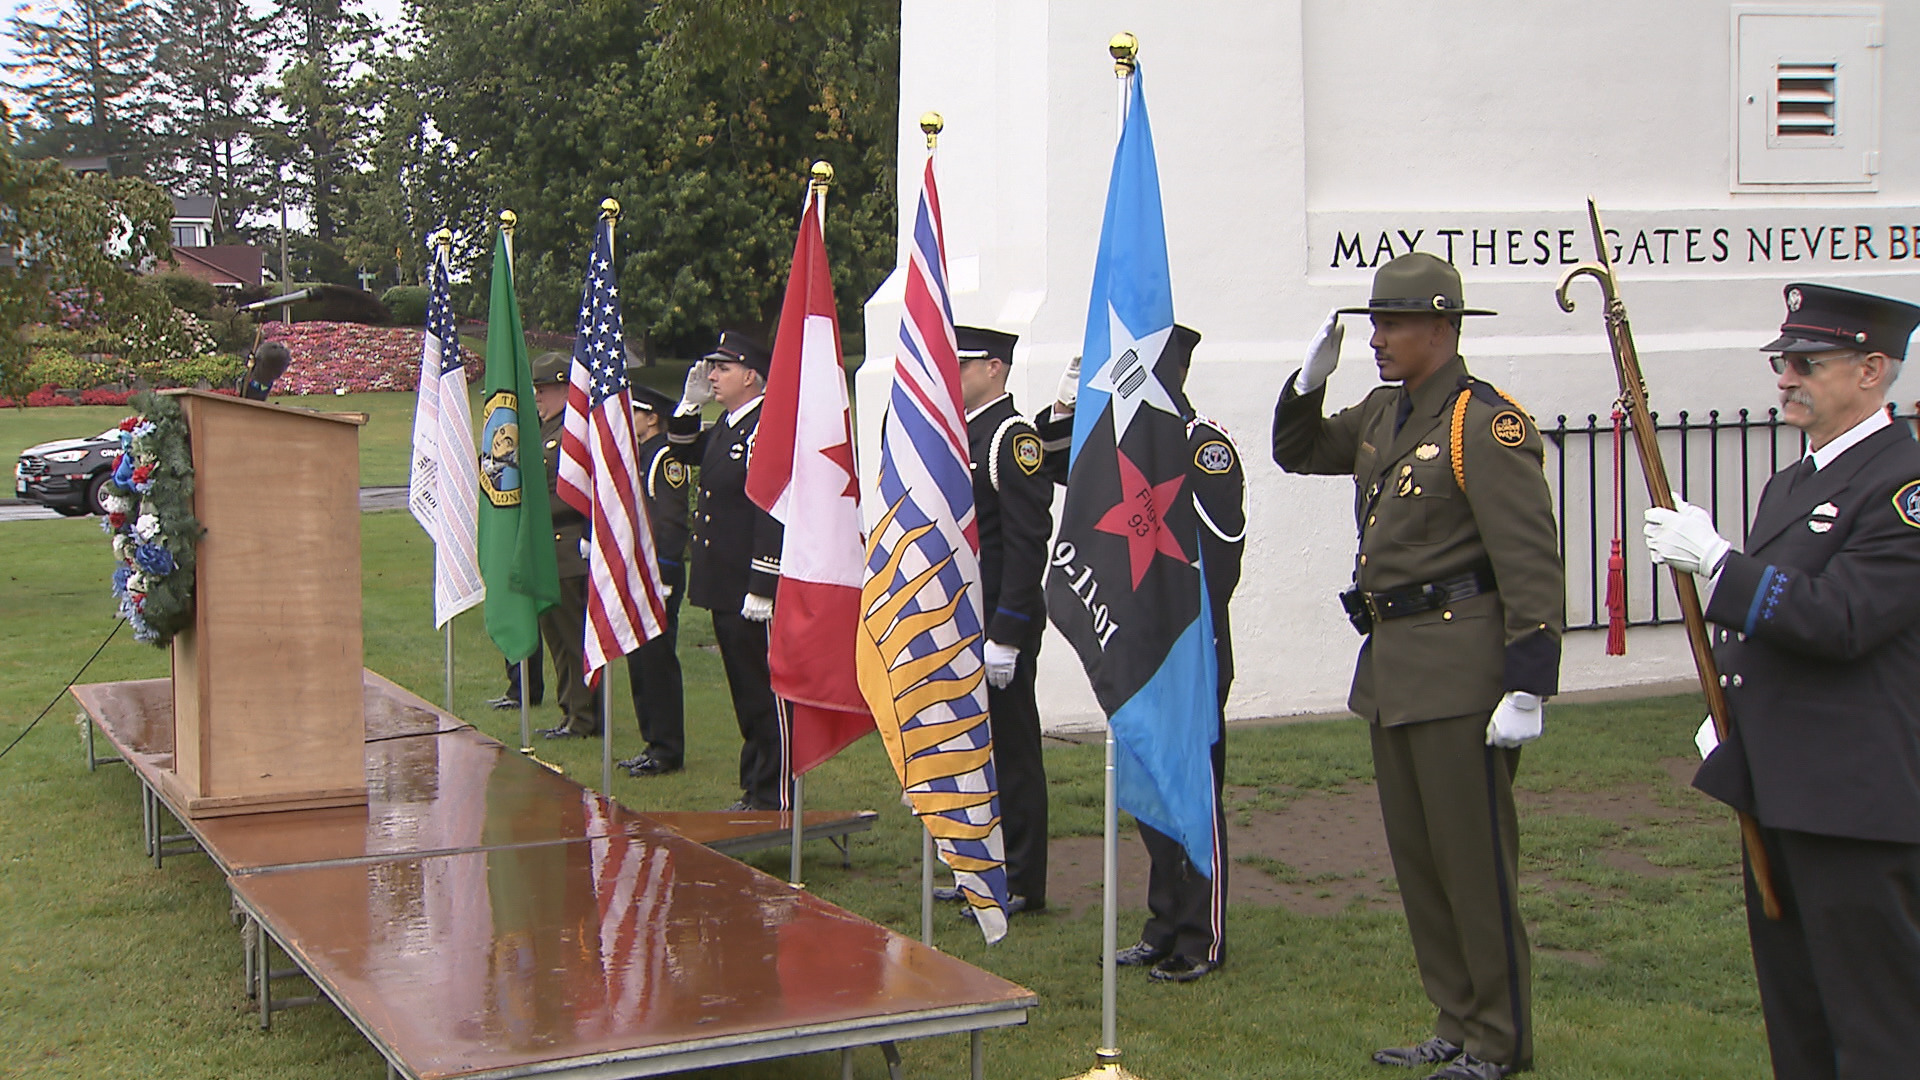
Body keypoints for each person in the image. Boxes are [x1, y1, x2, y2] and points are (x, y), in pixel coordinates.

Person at [1271, 253, 1563, 1080]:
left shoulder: (1483, 423)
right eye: (1373, 323)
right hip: (1395, 664)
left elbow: (1530, 556)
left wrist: (1528, 680)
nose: (1376, 338)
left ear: (1442, 326)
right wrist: (1304, 382)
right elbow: (1299, 451)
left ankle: (1500, 1041)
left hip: (1462, 669)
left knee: (1473, 865)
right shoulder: (1383, 412)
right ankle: (1457, 1019)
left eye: (1392, 323)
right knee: (1423, 863)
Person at [1643, 282, 1920, 1080]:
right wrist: (1736, 708)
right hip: (1784, 784)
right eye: (1782, 362)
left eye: (1807, 361)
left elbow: (1843, 621)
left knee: (1876, 1028)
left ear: (1872, 370)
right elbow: (1771, 635)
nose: (1786, 377)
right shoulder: (1794, 483)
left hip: (1856, 803)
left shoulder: (1902, 487)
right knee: (1797, 1018)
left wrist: (1721, 565)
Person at [1038, 326, 1246, 981]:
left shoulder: (1198, 447)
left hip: (1186, 649)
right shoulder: (1124, 449)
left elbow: (1220, 554)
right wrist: (1070, 406)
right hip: (1135, 645)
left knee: (1190, 790)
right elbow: (1050, 461)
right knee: (1149, 791)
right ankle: (1163, 923)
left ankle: (1200, 934)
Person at [942, 324, 1052, 916]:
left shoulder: (1011, 438)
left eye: (962, 366)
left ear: (994, 369)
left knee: (1011, 751)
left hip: (998, 625)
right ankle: (981, 870)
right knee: (970, 753)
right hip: (963, 619)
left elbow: (1027, 541)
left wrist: (1006, 632)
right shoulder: (965, 433)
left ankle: (1023, 880)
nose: (951, 376)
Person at [668, 331, 787, 811]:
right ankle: (753, 786)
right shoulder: (730, 424)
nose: (711, 377)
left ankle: (773, 789)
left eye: (722, 369)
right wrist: (689, 406)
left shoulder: (764, 427)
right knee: (744, 691)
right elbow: (682, 450)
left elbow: (770, 510)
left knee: (762, 693)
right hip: (723, 584)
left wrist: (763, 583)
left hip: (747, 586)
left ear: (751, 376)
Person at [620, 381, 689, 777]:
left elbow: (671, 520)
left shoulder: (665, 457)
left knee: (658, 660)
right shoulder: (639, 454)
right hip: (636, 571)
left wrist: (663, 574)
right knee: (640, 659)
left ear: (652, 418)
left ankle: (667, 748)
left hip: (658, 573)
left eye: (636, 411)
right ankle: (651, 741)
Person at [530, 350, 601, 738]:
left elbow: (569, 493)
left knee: (573, 640)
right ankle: (570, 710)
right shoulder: (545, 431)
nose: (537, 397)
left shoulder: (571, 435)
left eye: (543, 389)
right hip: (548, 548)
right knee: (557, 639)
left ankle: (584, 716)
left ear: (564, 388)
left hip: (568, 543)